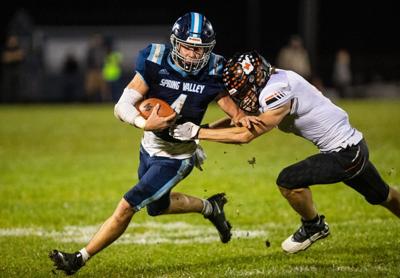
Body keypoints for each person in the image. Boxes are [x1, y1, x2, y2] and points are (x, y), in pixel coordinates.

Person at [49, 12, 252, 275]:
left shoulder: (214, 70)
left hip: (176, 158)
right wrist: (145, 124)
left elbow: (236, 117)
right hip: (149, 146)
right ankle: (211, 207)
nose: (192, 55)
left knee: (127, 206)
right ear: (175, 43)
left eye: (198, 49)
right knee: (157, 207)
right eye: (187, 47)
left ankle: (79, 258)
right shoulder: (156, 59)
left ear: (208, 50)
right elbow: (122, 105)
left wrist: (204, 131)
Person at [172, 51, 400, 254]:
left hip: (346, 154)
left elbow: (246, 135)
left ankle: (314, 226)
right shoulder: (270, 81)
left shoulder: (276, 91)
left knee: (288, 180)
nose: (241, 98)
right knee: (384, 195)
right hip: (351, 148)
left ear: (256, 79)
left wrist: (197, 133)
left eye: (242, 90)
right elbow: (242, 121)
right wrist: (205, 132)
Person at [1, 34, 25, 102]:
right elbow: (5, 58)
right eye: (11, 39)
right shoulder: (5, 48)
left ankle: (18, 102)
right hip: (8, 72)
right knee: (7, 88)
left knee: (18, 88)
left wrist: (11, 56)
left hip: (17, 71)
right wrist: (15, 55)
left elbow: (21, 56)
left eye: (14, 40)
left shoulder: (18, 47)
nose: (13, 41)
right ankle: (5, 102)